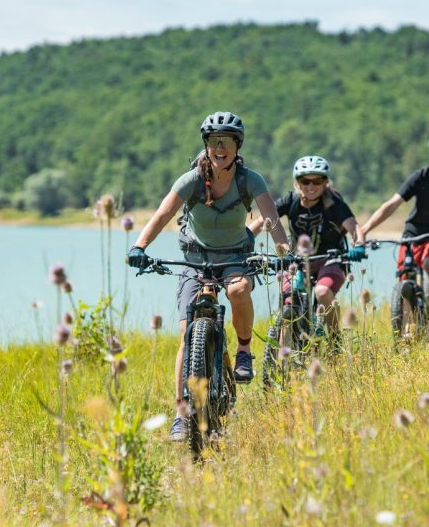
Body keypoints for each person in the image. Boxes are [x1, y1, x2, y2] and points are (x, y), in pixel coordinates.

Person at [126, 111, 289, 441]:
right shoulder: (191, 181)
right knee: (188, 333)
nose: (219, 147)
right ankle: (180, 413)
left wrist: (286, 255)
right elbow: (163, 213)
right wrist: (139, 245)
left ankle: (243, 350)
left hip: (234, 257)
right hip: (195, 260)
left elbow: (272, 220)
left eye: (226, 142)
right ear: (206, 145)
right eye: (214, 141)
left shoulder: (250, 180)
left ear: (236, 146)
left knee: (240, 290)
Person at [249, 155, 364, 339]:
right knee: (288, 300)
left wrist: (358, 245)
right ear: (298, 182)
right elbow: (264, 218)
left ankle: (335, 338)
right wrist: (245, 240)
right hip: (297, 262)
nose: (311, 186)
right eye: (305, 181)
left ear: (325, 181)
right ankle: (284, 357)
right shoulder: (291, 200)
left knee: (322, 292)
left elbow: (353, 226)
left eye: (317, 180)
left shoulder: (333, 202)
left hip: (331, 260)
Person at [357, 129, 429, 297]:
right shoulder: (420, 177)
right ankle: (408, 320)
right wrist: (365, 229)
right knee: (404, 275)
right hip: (413, 232)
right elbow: (391, 205)